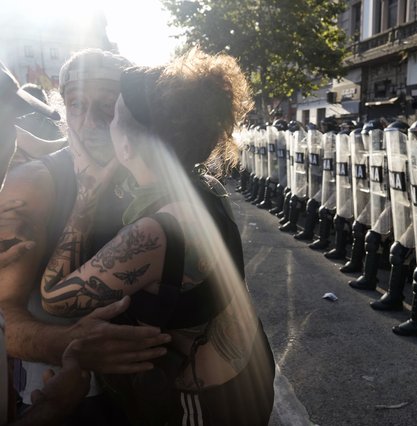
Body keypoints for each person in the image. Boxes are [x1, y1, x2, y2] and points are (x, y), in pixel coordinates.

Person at [39, 48, 275, 425]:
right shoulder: (203, 183)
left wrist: (84, 196)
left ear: (129, 144)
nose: (95, 125)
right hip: (250, 373)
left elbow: (54, 297)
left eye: (111, 114)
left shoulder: (155, 233)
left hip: (207, 403)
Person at [0, 49, 171, 425]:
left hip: (145, 398)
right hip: (59, 398)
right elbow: (3, 315)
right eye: (76, 104)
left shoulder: (147, 174)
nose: (89, 121)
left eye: (106, 107)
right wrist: (72, 345)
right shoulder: (36, 185)